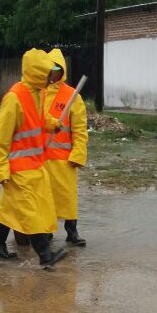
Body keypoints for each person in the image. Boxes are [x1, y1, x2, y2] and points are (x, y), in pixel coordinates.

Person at [0, 48, 65, 267]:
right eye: (49, 73)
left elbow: (40, 119)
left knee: (10, 209)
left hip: (34, 166)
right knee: (32, 212)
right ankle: (45, 255)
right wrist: (1, 170)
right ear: (38, 73)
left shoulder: (38, 93)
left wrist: (53, 124)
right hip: (17, 169)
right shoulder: (14, 98)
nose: (52, 78)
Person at [43, 47, 88, 246]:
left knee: (67, 198)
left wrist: (78, 154)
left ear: (62, 70)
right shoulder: (38, 93)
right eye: (49, 68)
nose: (52, 73)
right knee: (44, 198)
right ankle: (46, 231)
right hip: (41, 157)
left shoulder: (72, 96)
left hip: (63, 159)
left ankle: (72, 231)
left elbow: (79, 129)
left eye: (56, 68)